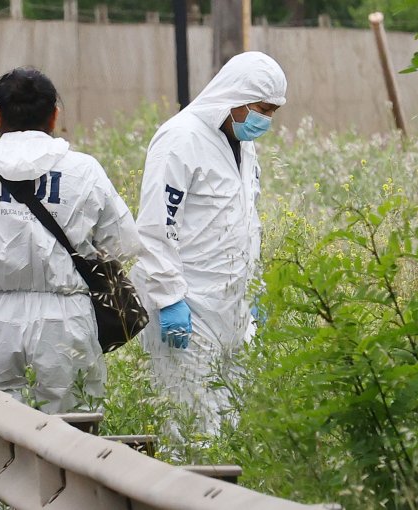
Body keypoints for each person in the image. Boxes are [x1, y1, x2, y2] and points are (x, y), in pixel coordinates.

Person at [0, 67, 140, 413]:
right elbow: (123, 244)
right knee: (72, 429)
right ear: (54, 115)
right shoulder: (85, 171)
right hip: (66, 318)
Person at [130, 51, 287, 436]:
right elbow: (156, 225)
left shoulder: (243, 147)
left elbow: (247, 224)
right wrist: (169, 298)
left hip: (233, 310)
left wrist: (257, 290)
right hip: (190, 308)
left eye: (272, 111)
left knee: (232, 427)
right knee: (189, 426)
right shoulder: (180, 138)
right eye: (261, 108)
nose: (264, 120)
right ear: (234, 97)